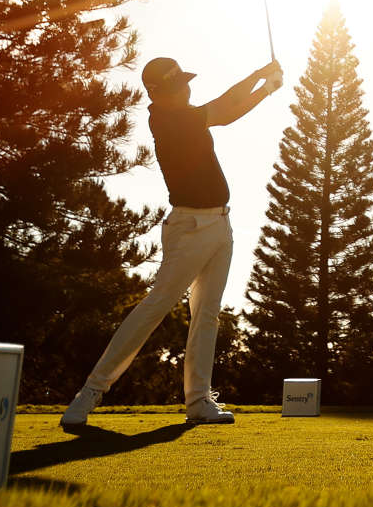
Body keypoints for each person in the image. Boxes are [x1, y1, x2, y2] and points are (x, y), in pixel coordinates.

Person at [61, 54, 283, 429]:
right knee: (156, 306)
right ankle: (90, 393)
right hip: (191, 227)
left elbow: (224, 106)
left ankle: (198, 401)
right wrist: (264, 84)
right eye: (179, 84)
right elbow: (225, 112)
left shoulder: (184, 113)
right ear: (161, 92)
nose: (187, 87)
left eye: (184, 81)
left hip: (220, 224)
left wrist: (263, 83)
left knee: (207, 314)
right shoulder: (166, 119)